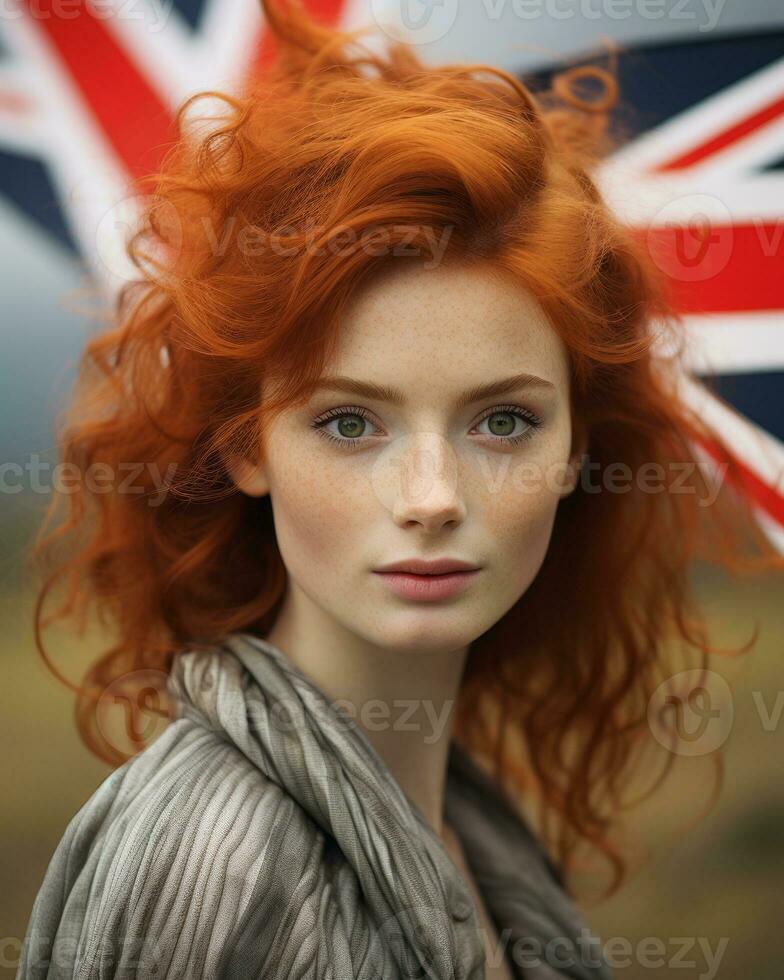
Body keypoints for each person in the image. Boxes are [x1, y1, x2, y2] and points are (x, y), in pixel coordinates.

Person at [17, 0, 783, 977]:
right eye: (349, 421)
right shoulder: (217, 865)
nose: (432, 496)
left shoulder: (472, 824)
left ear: (578, 449)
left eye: (502, 421)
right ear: (247, 444)